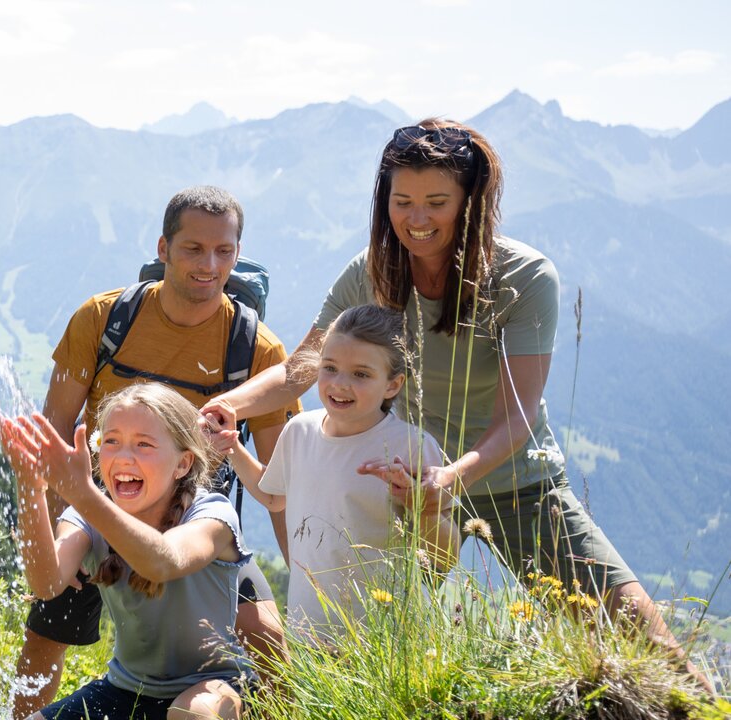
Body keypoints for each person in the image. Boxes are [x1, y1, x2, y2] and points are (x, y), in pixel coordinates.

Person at [200, 118, 710, 688]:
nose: (417, 220)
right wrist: (230, 407)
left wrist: (448, 479)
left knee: (639, 636)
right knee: (369, 652)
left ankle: (699, 700)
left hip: (515, 482)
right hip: (401, 485)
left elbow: (518, 416)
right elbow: (301, 368)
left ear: (472, 200)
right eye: (402, 202)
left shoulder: (523, 277)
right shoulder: (371, 270)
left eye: (437, 202)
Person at [15, 186, 299, 719]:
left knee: (268, 643)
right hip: (105, 499)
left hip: (196, 517)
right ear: (163, 248)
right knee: (45, 637)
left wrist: (305, 578)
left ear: (238, 254)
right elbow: (55, 433)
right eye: (193, 248)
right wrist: (59, 520)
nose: (209, 265)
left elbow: (284, 479)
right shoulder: (103, 320)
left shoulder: (258, 349)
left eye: (224, 251)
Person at [0, 383, 253, 719]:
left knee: (193, 716)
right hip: (127, 689)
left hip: (216, 686)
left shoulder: (212, 514)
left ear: (182, 464)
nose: (123, 457)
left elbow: (163, 562)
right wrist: (29, 485)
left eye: (144, 444)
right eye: (111, 441)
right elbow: (46, 583)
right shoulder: (86, 515)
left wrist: (85, 495)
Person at [208, 304, 458, 640]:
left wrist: (419, 504)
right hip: (311, 632)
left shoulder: (410, 446)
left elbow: (447, 553)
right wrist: (233, 448)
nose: (339, 384)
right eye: (330, 368)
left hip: (389, 638)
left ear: (392, 385)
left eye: (361, 374)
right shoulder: (299, 431)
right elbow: (272, 496)